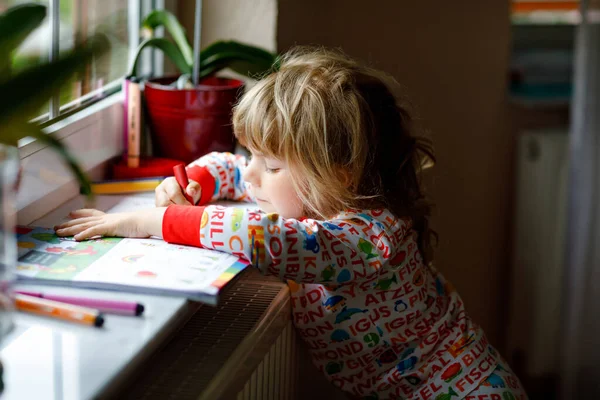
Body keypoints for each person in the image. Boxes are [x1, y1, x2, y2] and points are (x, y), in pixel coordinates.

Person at [55, 47, 527, 400]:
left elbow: (262, 237)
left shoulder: (370, 238)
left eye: (273, 166)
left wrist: (149, 221)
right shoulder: (318, 194)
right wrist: (196, 179)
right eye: (255, 155)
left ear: (335, 173)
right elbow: (237, 169)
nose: (253, 173)